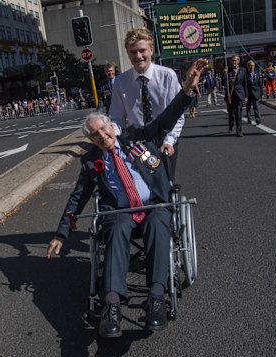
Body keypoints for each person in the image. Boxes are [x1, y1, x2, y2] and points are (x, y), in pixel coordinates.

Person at [47, 58, 208, 338]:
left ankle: (157, 299)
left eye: (104, 129)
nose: (101, 135)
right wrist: (61, 234)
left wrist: (186, 91)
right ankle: (111, 305)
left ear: (112, 126)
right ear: (91, 139)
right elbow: (77, 198)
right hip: (120, 212)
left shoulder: (136, 136)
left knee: (159, 225)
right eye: (95, 134)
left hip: (154, 204)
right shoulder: (91, 162)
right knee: (116, 230)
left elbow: (166, 119)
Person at [109, 28, 183, 158]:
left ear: (151, 50)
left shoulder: (167, 76)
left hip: (164, 142)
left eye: (142, 50)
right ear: (127, 53)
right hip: (136, 145)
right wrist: (116, 143)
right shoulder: (121, 82)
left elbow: (177, 114)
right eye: (133, 52)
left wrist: (169, 141)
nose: (138, 56)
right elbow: (116, 117)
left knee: (165, 179)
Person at [222, 54, 248, 137]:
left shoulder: (243, 70)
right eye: (232, 60)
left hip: (239, 94)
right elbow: (223, 83)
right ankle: (231, 126)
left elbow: (245, 84)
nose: (234, 62)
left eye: (235, 60)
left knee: (238, 113)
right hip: (230, 95)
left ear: (238, 61)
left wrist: (246, 96)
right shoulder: (228, 71)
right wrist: (224, 74)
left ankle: (239, 130)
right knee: (231, 113)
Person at [245, 60, 263, 126]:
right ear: (248, 66)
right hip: (248, 93)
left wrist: (261, 93)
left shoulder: (257, 73)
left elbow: (260, 84)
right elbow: (245, 85)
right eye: (250, 66)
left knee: (256, 107)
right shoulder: (245, 74)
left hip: (256, 93)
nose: (252, 67)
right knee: (248, 107)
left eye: (253, 65)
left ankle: (258, 119)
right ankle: (249, 118)